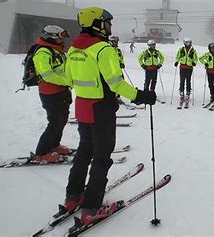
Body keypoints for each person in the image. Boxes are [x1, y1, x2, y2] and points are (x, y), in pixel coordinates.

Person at [63, 7, 156, 225]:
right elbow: (116, 83)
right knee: (102, 156)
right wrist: (141, 96)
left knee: (85, 151)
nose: (109, 26)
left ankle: (73, 196)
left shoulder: (74, 48)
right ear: (96, 24)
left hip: (83, 106)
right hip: (101, 108)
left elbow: (68, 79)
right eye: (106, 23)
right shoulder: (103, 49)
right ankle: (91, 207)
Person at [32, 25, 72, 163]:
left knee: (62, 119)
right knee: (55, 122)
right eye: (61, 36)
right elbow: (47, 75)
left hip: (61, 91)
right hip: (50, 92)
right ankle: (41, 153)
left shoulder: (57, 51)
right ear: (52, 36)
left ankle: (54, 145)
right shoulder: (43, 53)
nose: (63, 40)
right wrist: (67, 81)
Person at [174, 37, 198, 106]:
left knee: (188, 81)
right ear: (184, 43)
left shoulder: (193, 50)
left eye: (189, 42)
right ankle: (181, 92)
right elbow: (177, 56)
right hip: (182, 67)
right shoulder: (181, 49)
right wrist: (176, 62)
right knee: (182, 80)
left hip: (189, 67)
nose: (189, 44)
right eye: (187, 42)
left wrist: (194, 62)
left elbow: (196, 58)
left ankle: (188, 93)